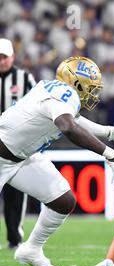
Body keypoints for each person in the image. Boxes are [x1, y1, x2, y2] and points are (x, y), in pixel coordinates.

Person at [0, 56, 114, 266]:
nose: (93, 93)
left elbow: (71, 119)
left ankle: (32, 249)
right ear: (76, 83)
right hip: (3, 154)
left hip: (21, 157)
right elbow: (68, 126)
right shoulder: (66, 94)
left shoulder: (54, 89)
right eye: (90, 87)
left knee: (63, 200)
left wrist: (109, 132)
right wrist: (108, 153)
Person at [0, 38, 36, 250]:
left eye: (4, 57)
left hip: (15, 145)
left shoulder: (23, 78)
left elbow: (34, 106)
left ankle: (14, 239)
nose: (1, 61)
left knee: (15, 194)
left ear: (12, 57)